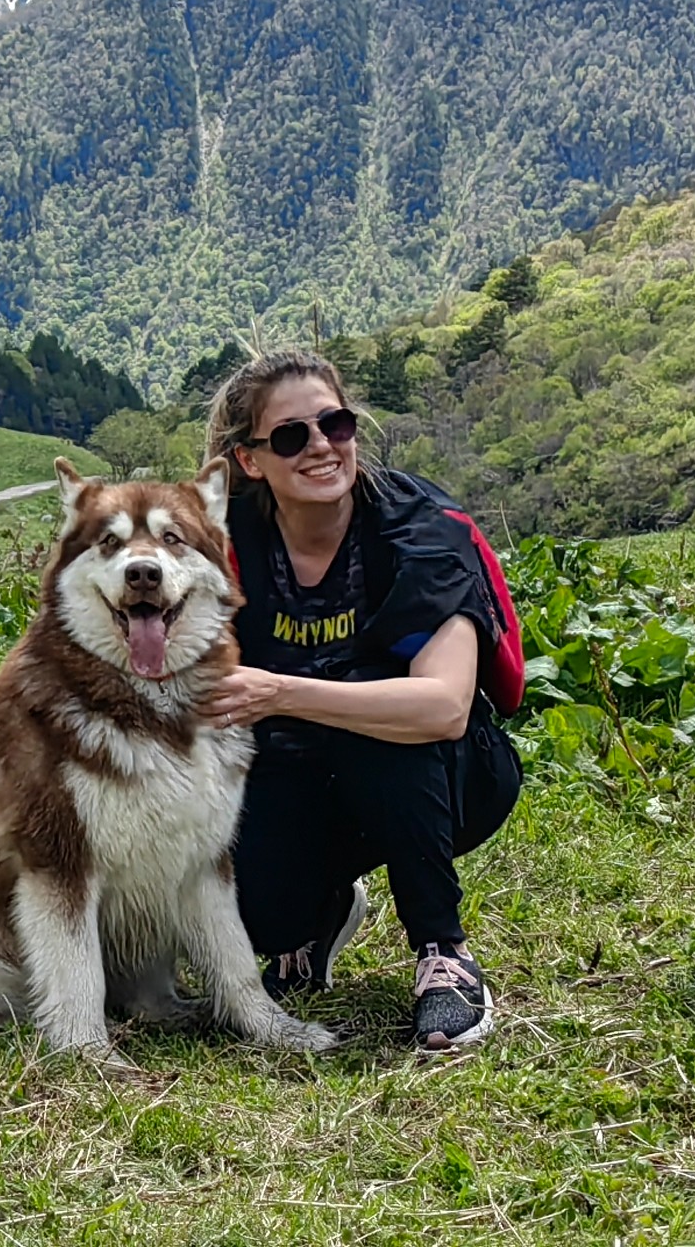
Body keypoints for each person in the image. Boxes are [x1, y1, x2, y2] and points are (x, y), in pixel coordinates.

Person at [196, 348, 523, 1052]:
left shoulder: (419, 530)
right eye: (291, 437)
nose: (320, 447)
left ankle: (443, 953)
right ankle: (315, 916)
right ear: (250, 460)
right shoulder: (222, 543)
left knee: (376, 724)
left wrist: (280, 690)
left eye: (335, 425)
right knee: (261, 916)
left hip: (444, 772)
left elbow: (443, 706)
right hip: (293, 767)